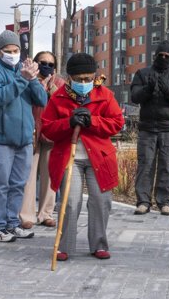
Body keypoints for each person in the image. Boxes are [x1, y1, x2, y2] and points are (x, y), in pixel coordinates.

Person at [41, 53, 124, 261]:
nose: (84, 83)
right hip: (70, 157)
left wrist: (93, 121)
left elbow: (116, 123)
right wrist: (68, 122)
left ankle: (99, 244)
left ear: (94, 76)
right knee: (70, 200)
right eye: (79, 79)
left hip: (99, 157)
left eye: (88, 78)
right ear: (70, 78)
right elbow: (48, 128)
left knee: (101, 200)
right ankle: (64, 245)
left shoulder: (105, 95)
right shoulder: (58, 96)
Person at [0, 30, 47, 242]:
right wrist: (22, 79)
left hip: (24, 138)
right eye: (7, 51)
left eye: (15, 50)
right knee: (0, 184)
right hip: (1, 138)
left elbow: (42, 100)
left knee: (19, 183)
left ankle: (12, 223)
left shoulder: (23, 69)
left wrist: (33, 79)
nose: (12, 54)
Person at [130, 41, 169, 216]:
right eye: (160, 55)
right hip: (147, 128)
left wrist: (167, 90)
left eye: (167, 56)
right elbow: (134, 96)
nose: (163, 58)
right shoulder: (142, 74)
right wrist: (148, 88)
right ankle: (143, 201)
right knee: (145, 165)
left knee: (167, 165)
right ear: (154, 56)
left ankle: (164, 202)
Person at [20, 51, 65, 228]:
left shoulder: (59, 83)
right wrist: (37, 84)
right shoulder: (28, 78)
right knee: (28, 178)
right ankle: (26, 216)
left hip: (51, 134)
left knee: (50, 176)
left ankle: (46, 213)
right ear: (36, 63)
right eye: (42, 62)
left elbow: (62, 104)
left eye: (50, 64)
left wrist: (51, 87)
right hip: (31, 132)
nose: (46, 66)